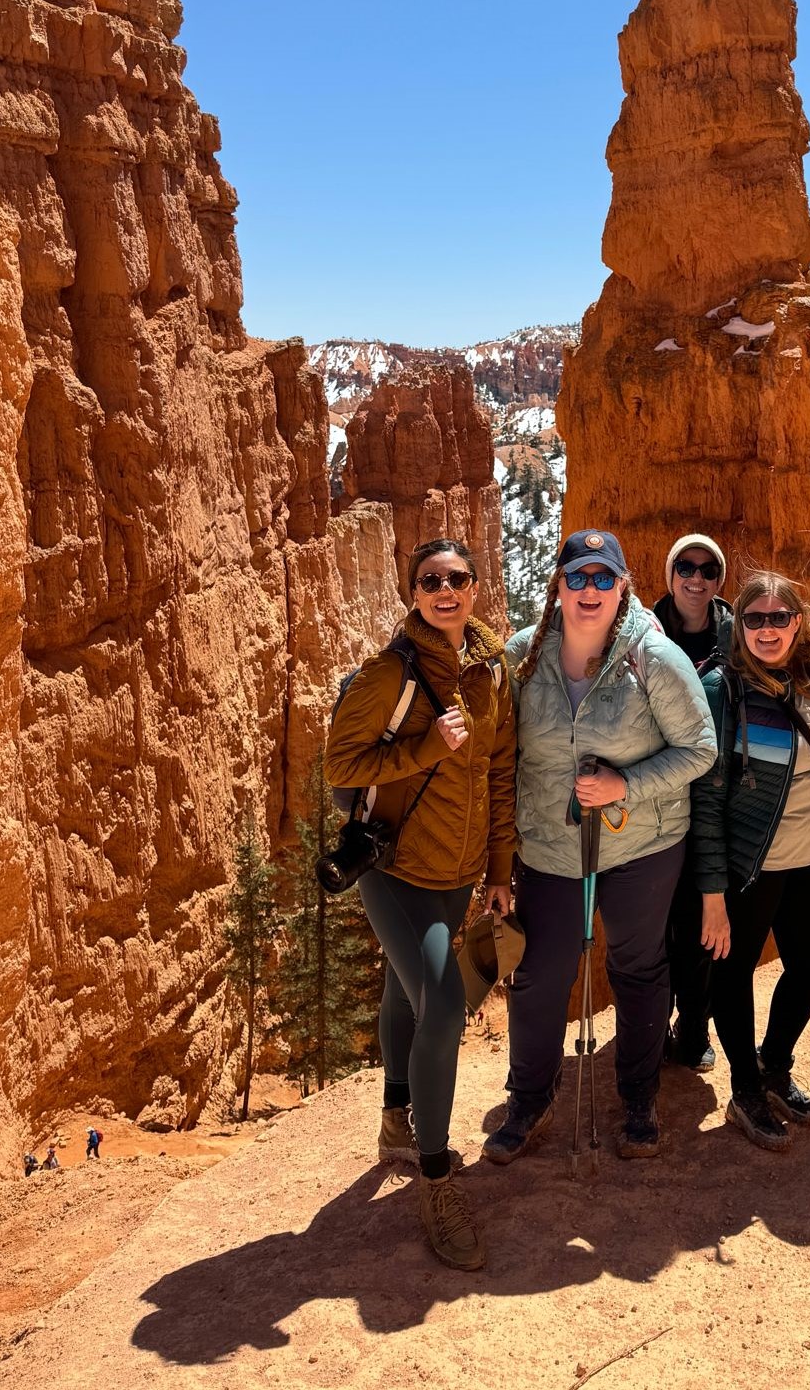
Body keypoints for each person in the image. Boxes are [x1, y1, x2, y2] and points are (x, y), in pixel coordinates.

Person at [488, 529, 717, 1165]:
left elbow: (700, 748)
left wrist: (624, 785)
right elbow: (499, 761)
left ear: (623, 588)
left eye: (603, 578)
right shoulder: (522, 660)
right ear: (557, 586)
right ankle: (529, 1097)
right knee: (539, 974)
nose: (589, 591)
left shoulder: (655, 658)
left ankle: (638, 1097)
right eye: (577, 577)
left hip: (643, 845)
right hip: (549, 850)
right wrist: (497, 861)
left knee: (638, 968)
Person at [325, 537, 516, 1272]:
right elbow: (341, 765)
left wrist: (499, 869)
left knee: (406, 991)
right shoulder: (388, 675)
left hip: (460, 870)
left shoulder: (491, 669)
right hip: (395, 865)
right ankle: (435, 1180)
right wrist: (425, 750)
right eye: (430, 580)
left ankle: (396, 1124)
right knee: (440, 1004)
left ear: (475, 587)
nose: (445, 589)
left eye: (458, 578)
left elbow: (499, 771)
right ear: (413, 593)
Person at [692, 572, 810, 1152]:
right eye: (755, 619)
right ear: (740, 625)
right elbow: (704, 798)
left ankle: (774, 1065)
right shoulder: (722, 690)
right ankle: (745, 1089)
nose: (768, 630)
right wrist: (711, 893)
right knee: (734, 973)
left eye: (780, 618)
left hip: (807, 858)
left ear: (798, 623)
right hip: (746, 863)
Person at [654, 532, 734, 1075]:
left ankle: (695, 1025)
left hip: (713, 802)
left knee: (702, 924)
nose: (696, 578)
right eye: (686, 566)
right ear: (671, 572)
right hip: (651, 799)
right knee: (651, 923)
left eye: (708, 570)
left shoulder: (741, 637)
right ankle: (651, 1023)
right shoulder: (642, 631)